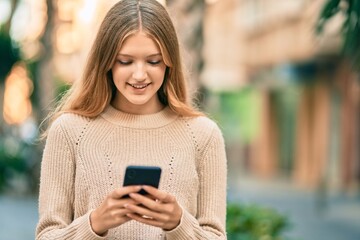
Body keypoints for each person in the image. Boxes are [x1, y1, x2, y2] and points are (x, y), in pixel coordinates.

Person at [36, 0, 227, 239]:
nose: (139, 74)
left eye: (153, 61)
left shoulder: (203, 135)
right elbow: (47, 235)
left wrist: (179, 224)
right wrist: (95, 224)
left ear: (169, 62)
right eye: (125, 61)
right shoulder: (69, 131)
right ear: (106, 62)